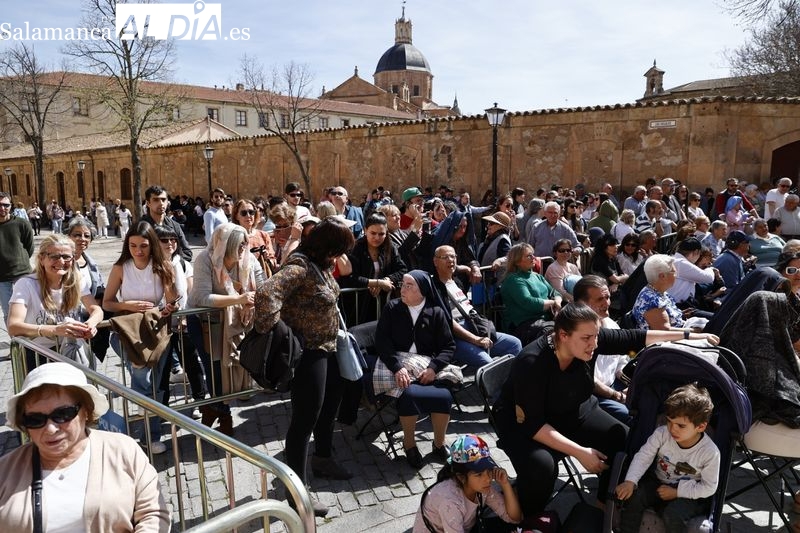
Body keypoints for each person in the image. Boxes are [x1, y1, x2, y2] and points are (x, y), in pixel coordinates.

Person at [254, 218, 355, 517]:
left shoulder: (320, 265)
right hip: (308, 354)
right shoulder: (299, 266)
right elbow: (266, 293)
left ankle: (323, 459)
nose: (340, 256)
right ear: (329, 247)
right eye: (339, 249)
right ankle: (297, 491)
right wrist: (276, 334)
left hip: (327, 348)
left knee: (329, 409)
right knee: (303, 422)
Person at [0, 362, 170, 531]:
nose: (50, 429)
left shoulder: (123, 450)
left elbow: (153, 514)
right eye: (35, 419)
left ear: (86, 411)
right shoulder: (5, 471)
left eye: (63, 414)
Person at [103, 221, 179, 454]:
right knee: (144, 381)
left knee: (154, 385)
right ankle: (147, 432)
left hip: (157, 331)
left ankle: (148, 435)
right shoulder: (120, 268)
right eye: (133, 245)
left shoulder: (162, 266)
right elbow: (107, 302)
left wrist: (167, 307)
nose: (138, 250)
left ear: (152, 245)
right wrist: (128, 305)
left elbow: (171, 301)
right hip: (127, 333)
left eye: (144, 245)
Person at [375, 270, 457, 469]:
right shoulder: (392, 308)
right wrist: (397, 367)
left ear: (422, 290)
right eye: (402, 284)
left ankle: (439, 444)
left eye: (409, 286)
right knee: (409, 395)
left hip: (425, 368)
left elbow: (449, 346)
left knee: (444, 397)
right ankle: (409, 444)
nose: (402, 289)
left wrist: (433, 368)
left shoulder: (435, 312)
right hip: (398, 366)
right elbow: (382, 341)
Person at [188, 223, 263, 434]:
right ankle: (222, 413)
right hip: (206, 323)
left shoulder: (249, 259)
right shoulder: (205, 259)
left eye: (245, 245)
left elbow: (262, 285)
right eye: (239, 245)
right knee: (215, 371)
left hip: (236, 323)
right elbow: (201, 296)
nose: (243, 249)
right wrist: (238, 298)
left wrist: (255, 298)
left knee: (232, 368)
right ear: (226, 245)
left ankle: (214, 408)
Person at [616, 384, 720, 533]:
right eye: (669, 421)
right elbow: (644, 456)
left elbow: (709, 487)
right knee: (635, 497)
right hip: (658, 481)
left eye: (680, 425)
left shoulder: (709, 452)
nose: (672, 429)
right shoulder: (662, 434)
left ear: (701, 427)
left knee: (673, 515)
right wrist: (630, 481)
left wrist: (677, 492)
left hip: (690, 494)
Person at [8, 234, 104, 369]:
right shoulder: (26, 284)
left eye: (66, 257)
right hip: (38, 355)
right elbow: (14, 326)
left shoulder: (76, 280)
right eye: (54, 256)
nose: (61, 262)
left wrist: (90, 325)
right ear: (41, 259)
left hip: (71, 350)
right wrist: (55, 330)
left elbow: (96, 310)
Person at [433, 245, 522, 368]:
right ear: (435, 261)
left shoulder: (457, 281)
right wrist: (475, 340)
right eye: (445, 257)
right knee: (488, 364)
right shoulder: (434, 288)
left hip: (475, 326)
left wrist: (470, 269)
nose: (450, 260)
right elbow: (448, 323)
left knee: (514, 344)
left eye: (453, 256)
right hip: (456, 336)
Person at [413, 434, 522, 533]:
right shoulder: (450, 501)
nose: (487, 479)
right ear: (461, 477)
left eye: (488, 471)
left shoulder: (482, 488)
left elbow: (514, 518)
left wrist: (505, 485)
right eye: (479, 474)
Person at [339, 212, 407, 323]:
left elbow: (402, 269)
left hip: (383, 302)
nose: (377, 237)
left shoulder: (391, 247)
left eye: (381, 234)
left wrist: (387, 279)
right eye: (373, 233)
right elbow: (350, 278)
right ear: (365, 231)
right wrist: (376, 283)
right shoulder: (355, 249)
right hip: (358, 305)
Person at [66, 218, 112, 362]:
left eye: (87, 236)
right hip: (69, 323)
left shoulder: (91, 263)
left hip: (89, 322)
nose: (82, 239)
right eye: (77, 235)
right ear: (68, 237)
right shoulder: (62, 263)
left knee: (90, 367)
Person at [500, 243, 561, 341]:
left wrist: (557, 302)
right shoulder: (513, 279)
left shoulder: (537, 276)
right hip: (524, 324)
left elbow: (555, 292)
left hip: (545, 320)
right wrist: (552, 303)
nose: (534, 257)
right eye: (529, 256)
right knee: (554, 333)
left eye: (533, 254)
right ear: (517, 261)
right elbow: (528, 302)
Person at [0, 191, 35, 324]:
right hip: (2, 278)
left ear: (11, 206)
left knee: (29, 308)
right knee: (8, 312)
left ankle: (31, 342)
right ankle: (16, 342)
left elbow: (29, 247)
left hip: (22, 274)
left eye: (5, 205)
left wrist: (20, 261)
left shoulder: (21, 224)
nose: (2, 208)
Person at [631, 255, 687, 331]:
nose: (676, 276)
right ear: (662, 276)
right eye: (673, 272)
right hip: (667, 340)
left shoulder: (658, 291)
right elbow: (665, 331)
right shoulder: (650, 299)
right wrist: (696, 331)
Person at [141, 185, 193, 262]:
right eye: (156, 200)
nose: (161, 203)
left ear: (168, 202)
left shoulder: (175, 226)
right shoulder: (140, 227)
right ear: (148, 203)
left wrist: (171, 261)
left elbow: (187, 253)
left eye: (163, 199)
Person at [668, 237, 719, 308]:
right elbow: (709, 278)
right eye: (699, 254)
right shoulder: (681, 263)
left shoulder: (675, 260)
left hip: (678, 305)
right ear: (696, 252)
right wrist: (710, 268)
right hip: (678, 307)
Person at [233, 198, 277, 276]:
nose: (248, 216)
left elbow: (273, 260)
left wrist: (267, 257)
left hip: (262, 278)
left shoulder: (263, 235)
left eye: (251, 212)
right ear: (236, 216)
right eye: (244, 213)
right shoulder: (232, 236)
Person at [545, 238, 581, 303]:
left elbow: (582, 284)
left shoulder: (573, 267)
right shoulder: (553, 268)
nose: (566, 252)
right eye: (562, 250)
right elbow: (560, 291)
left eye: (568, 250)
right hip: (562, 302)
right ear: (555, 253)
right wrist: (578, 302)